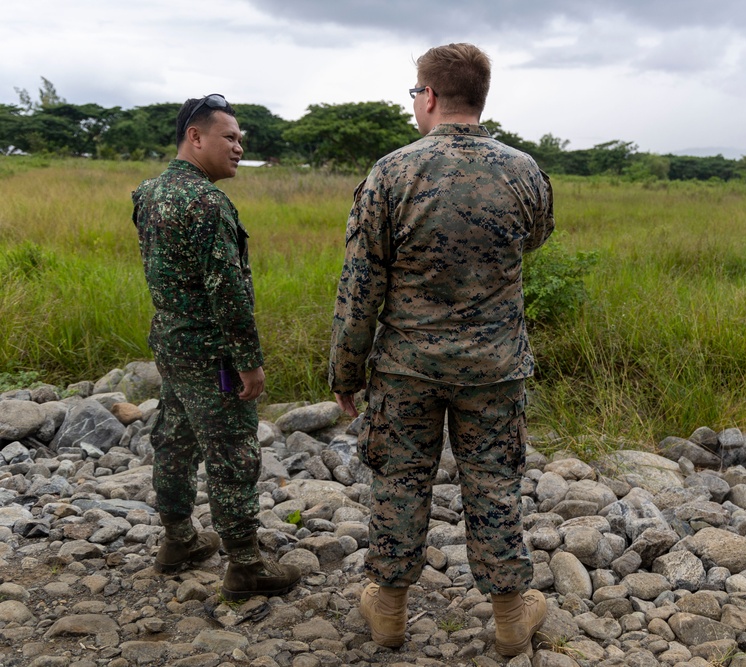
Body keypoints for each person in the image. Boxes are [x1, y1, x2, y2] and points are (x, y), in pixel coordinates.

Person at [328, 44, 555, 656]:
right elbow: (533, 240)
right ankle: (510, 617)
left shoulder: (391, 173)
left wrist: (345, 370)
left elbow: (361, 284)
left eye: (413, 94)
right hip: (494, 366)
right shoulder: (525, 172)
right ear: (481, 96)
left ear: (427, 96)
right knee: (493, 484)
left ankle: (390, 611)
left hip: (407, 367)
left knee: (400, 482)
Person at [132, 94, 300, 601]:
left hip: (171, 341)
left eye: (240, 138)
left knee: (176, 437)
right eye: (229, 137)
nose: (238, 146)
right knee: (231, 453)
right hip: (210, 350)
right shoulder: (207, 202)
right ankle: (246, 567)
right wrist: (249, 362)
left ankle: (179, 540)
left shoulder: (148, 192)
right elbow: (226, 291)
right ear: (195, 138)